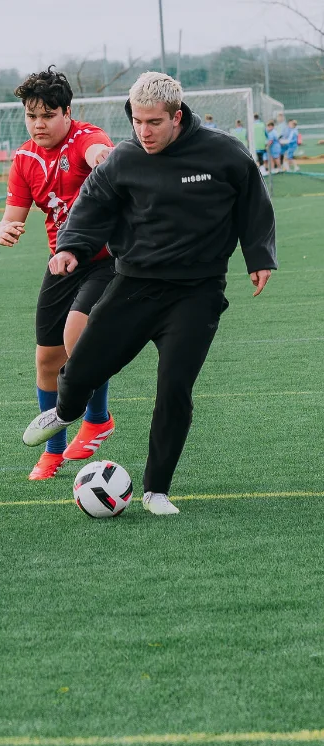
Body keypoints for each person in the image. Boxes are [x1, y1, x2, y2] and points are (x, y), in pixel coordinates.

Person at [22, 72, 276, 515]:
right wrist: (70, 248)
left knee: (174, 388)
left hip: (197, 293)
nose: (144, 131)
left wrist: (258, 256)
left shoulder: (224, 153)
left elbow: (254, 201)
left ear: (176, 117)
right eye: (137, 121)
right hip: (134, 285)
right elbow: (92, 205)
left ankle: (156, 490)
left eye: (154, 122)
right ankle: (64, 411)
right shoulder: (125, 158)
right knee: (82, 365)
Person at [0, 66, 115, 481]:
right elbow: (12, 216)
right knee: (47, 359)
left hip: (107, 259)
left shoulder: (86, 139)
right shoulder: (24, 159)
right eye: (31, 116)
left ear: (67, 113)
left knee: (77, 338)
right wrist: (2, 228)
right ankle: (54, 449)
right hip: (61, 262)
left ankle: (97, 419)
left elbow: (99, 152)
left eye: (48, 115)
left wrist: (102, 158)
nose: (39, 124)